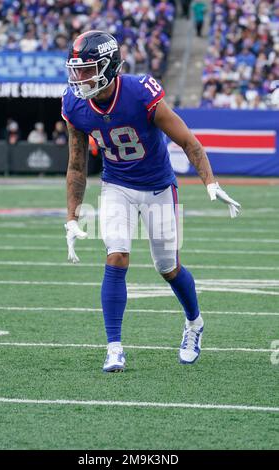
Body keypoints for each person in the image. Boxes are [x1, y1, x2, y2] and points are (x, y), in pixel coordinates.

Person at [62, 31, 241, 372]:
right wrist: (72, 216)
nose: (79, 78)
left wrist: (210, 182)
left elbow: (188, 141)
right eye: (77, 70)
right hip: (117, 185)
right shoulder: (74, 104)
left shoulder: (139, 92)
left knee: (167, 267)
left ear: (110, 66)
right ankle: (114, 348)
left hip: (159, 187)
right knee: (116, 255)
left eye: (87, 69)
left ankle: (194, 324)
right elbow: (76, 164)